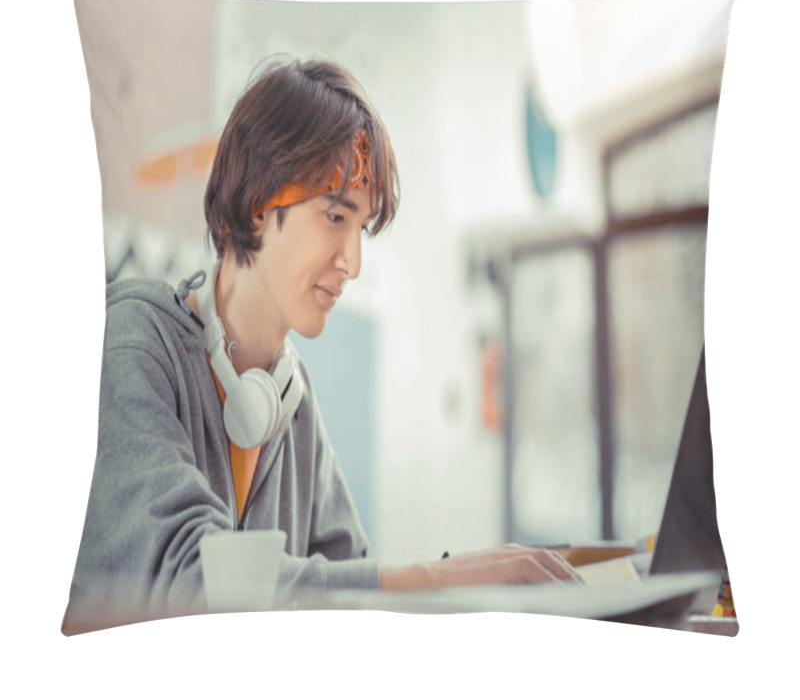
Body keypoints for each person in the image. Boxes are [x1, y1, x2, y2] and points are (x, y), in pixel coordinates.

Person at [62, 58, 580, 635]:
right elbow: (192, 582)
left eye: (360, 228)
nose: (353, 262)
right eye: (335, 216)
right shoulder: (134, 343)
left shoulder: (290, 398)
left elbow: (347, 582)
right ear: (260, 201)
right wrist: (447, 578)